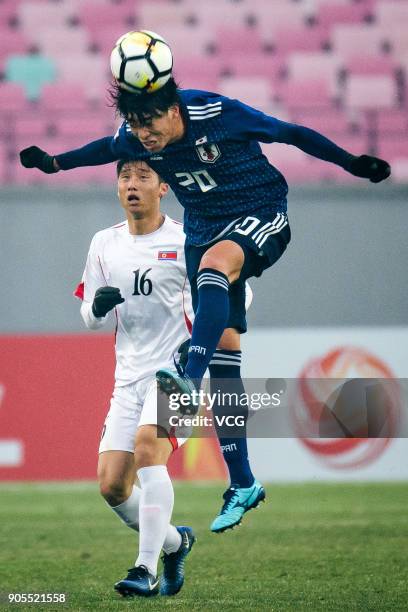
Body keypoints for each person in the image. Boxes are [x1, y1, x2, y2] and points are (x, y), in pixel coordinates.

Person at [20, 75, 390, 533]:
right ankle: (243, 483)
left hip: (258, 210)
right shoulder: (137, 138)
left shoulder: (216, 113)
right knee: (226, 358)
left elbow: (289, 133)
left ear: (174, 111)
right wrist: (54, 162)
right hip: (203, 229)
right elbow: (103, 149)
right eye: (136, 126)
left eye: (150, 123)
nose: (144, 135)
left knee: (215, 271)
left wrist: (352, 163)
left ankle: (187, 380)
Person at [75, 159, 196, 597]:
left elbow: (237, 295)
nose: (132, 185)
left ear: (163, 187)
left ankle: (144, 569)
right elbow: (87, 315)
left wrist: (199, 341)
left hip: (177, 375)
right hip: (128, 380)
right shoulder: (104, 243)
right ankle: (175, 542)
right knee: (112, 485)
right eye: (125, 177)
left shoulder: (188, 240)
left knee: (149, 451)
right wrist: (98, 308)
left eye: (143, 177)